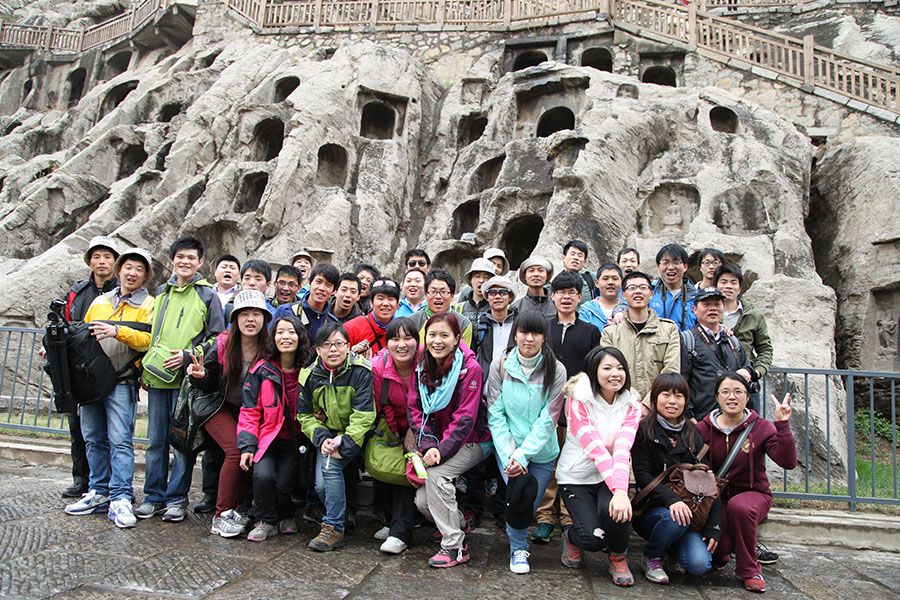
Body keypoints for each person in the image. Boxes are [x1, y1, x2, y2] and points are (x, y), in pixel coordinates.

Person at [63, 248, 154, 528]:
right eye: (128, 267)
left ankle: (121, 496)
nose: (132, 273)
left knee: (120, 440)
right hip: (90, 382)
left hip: (122, 380)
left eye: (139, 269)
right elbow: (81, 335)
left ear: (146, 275)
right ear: (119, 270)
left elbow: (150, 340)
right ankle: (98, 491)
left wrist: (118, 331)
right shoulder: (100, 302)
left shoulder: (150, 304)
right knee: (92, 437)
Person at [136, 237, 224, 523]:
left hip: (186, 382)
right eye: (180, 257)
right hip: (157, 378)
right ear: (172, 259)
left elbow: (217, 337)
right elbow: (154, 336)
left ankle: (176, 499)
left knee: (182, 442)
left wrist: (189, 355)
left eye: (191, 258)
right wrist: (145, 371)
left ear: (200, 263)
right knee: (155, 442)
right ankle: (153, 497)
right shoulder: (161, 292)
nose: (185, 262)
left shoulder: (207, 295)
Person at [697, 374, 797, 593]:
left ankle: (750, 570)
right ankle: (723, 554)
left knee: (740, 507)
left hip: (754, 494)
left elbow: (787, 462)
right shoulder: (704, 428)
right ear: (717, 397)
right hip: (717, 500)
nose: (731, 397)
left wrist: (782, 425)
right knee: (717, 547)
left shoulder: (760, 428)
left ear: (747, 396)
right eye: (725, 392)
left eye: (738, 392)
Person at [485, 312, 566, 574]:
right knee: (518, 499)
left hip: (541, 453)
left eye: (536, 333)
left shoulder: (556, 369)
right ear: (515, 334)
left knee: (530, 503)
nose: (529, 338)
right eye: (523, 332)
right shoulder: (500, 365)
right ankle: (518, 548)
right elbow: (495, 413)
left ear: (544, 337)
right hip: (508, 449)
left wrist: (523, 455)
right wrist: (511, 454)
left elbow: (549, 418)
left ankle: (517, 537)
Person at [408, 314, 491, 568]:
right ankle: (457, 523)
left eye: (444, 335)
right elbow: (416, 410)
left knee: (436, 475)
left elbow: (464, 419)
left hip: (474, 440)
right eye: (432, 335)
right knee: (422, 502)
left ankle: (455, 546)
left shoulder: (470, 369)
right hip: (437, 442)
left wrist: (440, 451)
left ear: (456, 339)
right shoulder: (422, 366)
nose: (437, 341)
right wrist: (428, 446)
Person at [186, 290, 269, 538]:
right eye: (244, 314)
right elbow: (207, 381)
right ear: (235, 319)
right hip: (217, 406)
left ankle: (236, 508)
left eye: (256, 314)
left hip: (248, 411)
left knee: (249, 454)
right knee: (235, 451)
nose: (250, 319)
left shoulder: (269, 348)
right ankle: (220, 514)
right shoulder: (223, 343)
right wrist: (200, 376)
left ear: (265, 319)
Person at [556, 346, 642, 587]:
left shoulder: (632, 404)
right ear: (593, 371)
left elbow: (622, 449)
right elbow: (595, 448)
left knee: (617, 510)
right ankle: (570, 536)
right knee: (592, 539)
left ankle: (618, 556)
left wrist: (621, 492)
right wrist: (620, 490)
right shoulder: (577, 399)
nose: (615, 374)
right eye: (607, 368)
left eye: (620, 368)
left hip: (610, 475)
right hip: (576, 476)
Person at [532, 271, 602, 546]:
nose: (566, 297)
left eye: (571, 292)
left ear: (579, 297)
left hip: (578, 409)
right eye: (560, 292)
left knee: (572, 463)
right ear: (553, 296)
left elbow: (594, 370)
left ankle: (569, 516)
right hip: (546, 405)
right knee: (548, 462)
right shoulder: (543, 328)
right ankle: (545, 517)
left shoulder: (590, 331)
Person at [631, 373, 721, 584]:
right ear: (655, 398)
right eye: (666, 395)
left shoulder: (692, 433)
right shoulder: (644, 430)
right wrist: (672, 500)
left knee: (699, 565)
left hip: (689, 513)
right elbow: (643, 475)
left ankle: (671, 550)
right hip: (653, 511)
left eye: (679, 396)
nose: (672, 401)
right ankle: (652, 557)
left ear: (685, 401)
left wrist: (714, 526)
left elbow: (709, 481)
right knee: (673, 518)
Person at [298, 323, 375, 551]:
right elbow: (304, 415)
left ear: (348, 346)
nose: (333, 349)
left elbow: (364, 415)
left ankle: (333, 527)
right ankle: (342, 513)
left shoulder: (361, 371)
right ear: (318, 349)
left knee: (330, 468)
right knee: (322, 487)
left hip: (357, 433)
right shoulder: (309, 375)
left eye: (339, 344)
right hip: (328, 435)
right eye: (326, 344)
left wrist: (346, 442)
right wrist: (323, 438)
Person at [237, 314, 312, 542]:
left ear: (300, 336)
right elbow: (249, 410)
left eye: (291, 332)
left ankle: (286, 515)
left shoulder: (309, 370)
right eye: (280, 332)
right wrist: (247, 446)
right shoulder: (261, 370)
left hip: (295, 440)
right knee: (263, 477)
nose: (285, 337)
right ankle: (266, 521)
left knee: (284, 484)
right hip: (268, 438)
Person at [60, 235, 120, 499]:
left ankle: (113, 484)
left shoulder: (122, 291)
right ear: (89, 261)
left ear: (115, 262)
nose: (102, 262)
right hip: (80, 369)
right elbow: (62, 324)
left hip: (112, 369)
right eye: (97, 256)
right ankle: (81, 479)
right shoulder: (77, 292)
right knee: (80, 427)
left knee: (114, 432)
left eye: (107, 257)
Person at [370, 318, 420, 554]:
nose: (402, 345)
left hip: (423, 426)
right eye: (395, 339)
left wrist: (413, 430)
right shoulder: (378, 367)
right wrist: (395, 433)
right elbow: (381, 403)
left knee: (407, 465)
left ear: (417, 341)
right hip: (391, 427)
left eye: (408, 338)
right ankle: (391, 521)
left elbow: (430, 402)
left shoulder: (426, 362)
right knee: (386, 462)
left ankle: (400, 533)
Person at [600, 270, 680, 406]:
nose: (638, 291)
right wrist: (629, 406)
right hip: (621, 407)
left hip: (658, 406)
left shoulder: (669, 329)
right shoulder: (610, 333)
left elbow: (671, 370)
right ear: (623, 295)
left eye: (643, 287)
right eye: (632, 288)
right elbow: (608, 372)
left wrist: (647, 405)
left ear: (651, 293)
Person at [681, 287, 753, 420]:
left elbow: (746, 366)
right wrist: (689, 416)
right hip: (701, 418)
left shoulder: (733, 341)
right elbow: (682, 381)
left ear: (723, 308)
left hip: (734, 418)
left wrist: (747, 371)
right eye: (706, 304)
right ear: (694, 309)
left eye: (717, 304)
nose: (712, 309)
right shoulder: (686, 340)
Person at [715, 264, 773, 385]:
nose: (728, 286)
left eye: (733, 282)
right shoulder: (707, 313)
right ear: (716, 285)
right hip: (714, 380)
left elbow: (765, 349)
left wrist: (756, 372)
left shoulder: (754, 315)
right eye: (724, 282)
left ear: (740, 288)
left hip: (746, 380)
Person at [273, 263, 340, 342]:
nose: (322, 288)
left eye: (328, 285)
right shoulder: (286, 311)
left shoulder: (332, 322)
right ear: (309, 283)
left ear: (334, 291)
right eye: (318, 282)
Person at [409, 269, 473, 346]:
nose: (438, 296)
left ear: (452, 295)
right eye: (433, 292)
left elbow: (465, 352)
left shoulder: (463, 323)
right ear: (425, 294)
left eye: (443, 292)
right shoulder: (412, 321)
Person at [472, 276, 517, 381]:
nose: (497, 296)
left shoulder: (519, 326)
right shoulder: (480, 327)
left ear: (510, 297)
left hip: (513, 382)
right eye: (492, 293)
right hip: (486, 384)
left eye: (503, 292)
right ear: (487, 297)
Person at [345, 278, 400, 356]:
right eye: (380, 298)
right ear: (371, 303)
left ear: (398, 304)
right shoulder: (352, 328)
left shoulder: (402, 330)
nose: (386, 303)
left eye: (391, 299)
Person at [649, 244, 696, 332]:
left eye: (676, 262)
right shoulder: (650, 294)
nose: (670, 267)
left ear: (685, 267)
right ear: (658, 267)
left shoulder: (695, 297)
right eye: (665, 263)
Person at [578, 263, 624, 330]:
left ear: (621, 283)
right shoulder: (586, 310)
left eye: (615, 279)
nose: (610, 282)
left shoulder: (629, 308)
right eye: (605, 279)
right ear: (597, 283)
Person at [561, 240, 596, 304]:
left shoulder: (590, 279)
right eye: (572, 254)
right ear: (563, 258)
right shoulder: (555, 282)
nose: (576, 258)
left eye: (580, 255)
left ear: (585, 262)